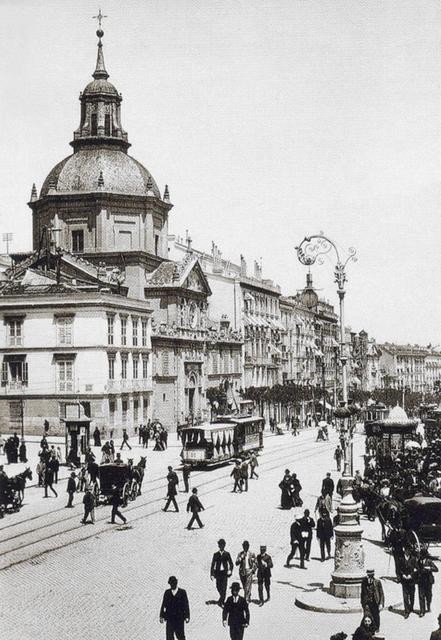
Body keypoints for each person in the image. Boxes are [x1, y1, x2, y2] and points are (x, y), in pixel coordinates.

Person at [159, 576, 190, 640]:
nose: (172, 585)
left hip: (179, 619)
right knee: (169, 636)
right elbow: (164, 604)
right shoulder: (167, 593)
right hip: (170, 618)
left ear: (176, 583)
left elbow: (186, 605)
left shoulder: (182, 592)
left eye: (174, 583)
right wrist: (161, 616)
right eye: (171, 584)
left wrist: (187, 616)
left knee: (180, 636)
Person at [211, 538, 234, 606]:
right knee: (218, 586)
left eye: (222, 545)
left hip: (224, 573)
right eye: (220, 545)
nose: (221, 546)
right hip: (218, 573)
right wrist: (212, 574)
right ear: (218, 546)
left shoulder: (227, 554)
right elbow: (212, 565)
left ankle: (221, 601)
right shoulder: (216, 554)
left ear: (224, 545)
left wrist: (230, 570)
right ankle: (222, 599)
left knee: (224, 587)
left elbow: (231, 564)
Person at [398, 547, 419, 618]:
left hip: (411, 580)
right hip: (404, 580)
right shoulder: (401, 559)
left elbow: (417, 569)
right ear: (404, 551)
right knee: (405, 596)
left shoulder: (413, 559)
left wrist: (411, 575)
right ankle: (406, 611)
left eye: (409, 551)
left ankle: (411, 607)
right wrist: (402, 575)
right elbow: (399, 569)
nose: (408, 552)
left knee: (412, 595)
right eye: (407, 550)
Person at [417, 548, 438, 616]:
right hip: (421, 581)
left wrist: (430, 568)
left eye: (422, 555)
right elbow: (417, 569)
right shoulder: (418, 561)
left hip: (428, 581)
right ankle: (422, 611)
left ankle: (428, 605)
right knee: (421, 596)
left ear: (425, 555)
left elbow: (436, 569)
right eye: (421, 555)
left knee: (429, 596)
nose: (421, 556)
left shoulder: (429, 561)